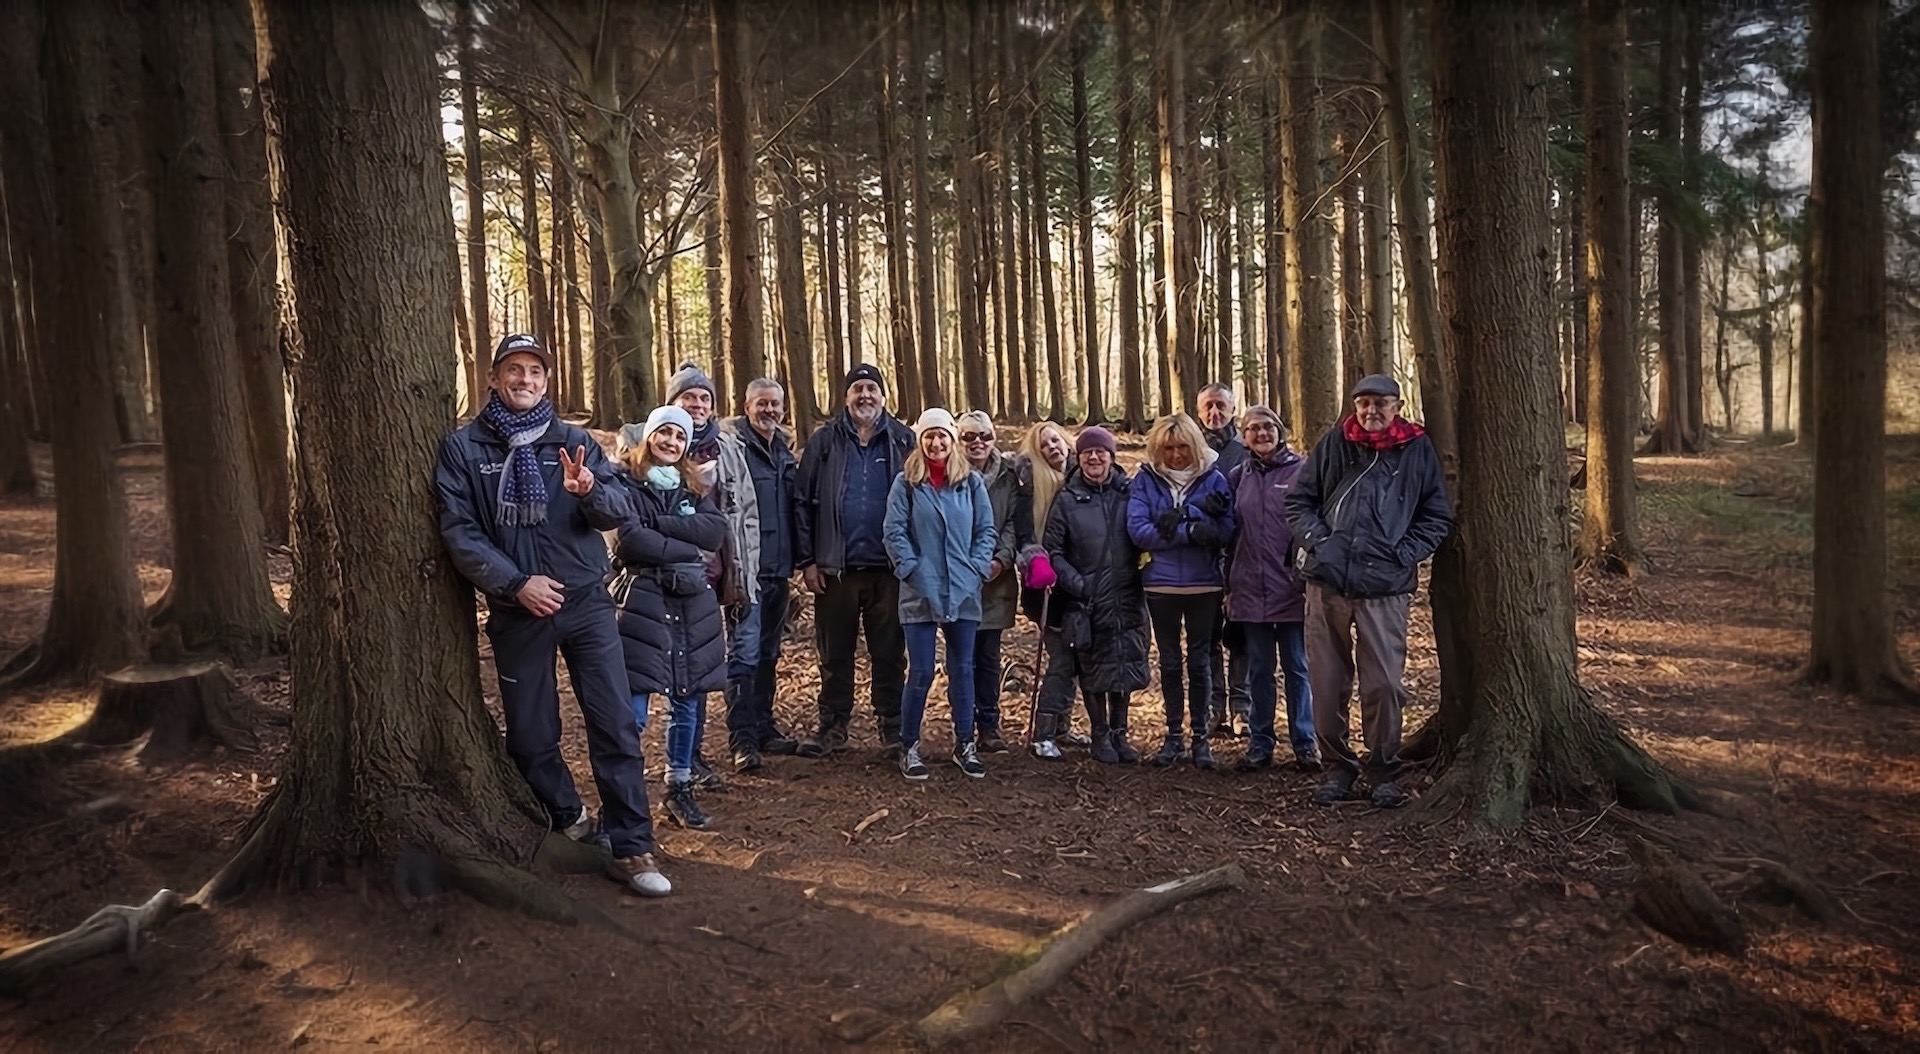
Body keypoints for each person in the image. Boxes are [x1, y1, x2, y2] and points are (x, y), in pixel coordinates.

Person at [435, 333, 669, 898]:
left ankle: (632, 843)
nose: (525, 380)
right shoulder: (466, 448)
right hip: (520, 610)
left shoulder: (574, 441)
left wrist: (588, 489)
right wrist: (516, 585)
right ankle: (571, 819)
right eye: (513, 370)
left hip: (586, 603)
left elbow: (619, 510)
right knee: (531, 736)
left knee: (614, 722)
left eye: (535, 372)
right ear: (493, 378)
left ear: (547, 380)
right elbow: (460, 532)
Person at [1287, 374, 1453, 808]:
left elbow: (1436, 515)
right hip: (1327, 584)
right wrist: (1320, 543)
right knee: (1325, 683)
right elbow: (1298, 502)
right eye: (1363, 403)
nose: (1370, 411)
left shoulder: (1416, 449)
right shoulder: (1335, 443)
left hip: (1385, 587)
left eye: (1380, 403)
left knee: (1382, 685)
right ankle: (1337, 767)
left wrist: (1404, 554)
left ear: (1397, 406)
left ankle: (1383, 770)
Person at [611, 405, 729, 830]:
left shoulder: (694, 485)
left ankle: (679, 788)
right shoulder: (625, 481)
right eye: (664, 433)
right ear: (649, 435)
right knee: (634, 707)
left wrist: (659, 526)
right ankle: (622, 794)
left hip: (691, 603)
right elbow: (629, 540)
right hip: (642, 601)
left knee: (687, 701)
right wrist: (685, 544)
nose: (670, 442)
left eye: (679, 437)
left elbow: (714, 533)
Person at [794, 364, 917, 758]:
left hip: (890, 569)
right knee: (834, 652)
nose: (865, 396)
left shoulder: (902, 440)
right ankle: (833, 725)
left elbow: (923, 501)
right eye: (857, 389)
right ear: (845, 397)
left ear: (883, 396)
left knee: (889, 651)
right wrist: (808, 561)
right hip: (836, 568)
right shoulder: (825, 441)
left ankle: (892, 725)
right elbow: (802, 502)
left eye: (872, 389)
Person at [883, 409, 996, 780]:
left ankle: (966, 742)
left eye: (943, 435)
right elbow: (895, 533)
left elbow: (985, 532)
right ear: (920, 440)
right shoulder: (906, 483)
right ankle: (909, 744)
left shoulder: (971, 483)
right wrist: (914, 572)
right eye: (929, 436)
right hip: (918, 591)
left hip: (964, 590)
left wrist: (977, 569)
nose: (936, 443)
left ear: (952, 439)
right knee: (920, 671)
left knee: (963, 668)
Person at [1033, 427, 1149, 763]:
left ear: (1112, 457)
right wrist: (1079, 584)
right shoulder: (1067, 499)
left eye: (1100, 452)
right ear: (1079, 458)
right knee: (1093, 669)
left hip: (1127, 596)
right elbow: (1053, 551)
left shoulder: (1131, 493)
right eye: (1087, 453)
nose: (1094, 458)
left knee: (1124, 665)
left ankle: (1119, 733)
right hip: (1086, 601)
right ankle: (1100, 735)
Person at [1127, 414, 1235, 770]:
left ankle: (1201, 737)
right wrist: (1190, 532)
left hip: (1205, 583)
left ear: (1195, 446)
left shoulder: (1214, 478)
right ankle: (1173, 736)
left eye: (1182, 447)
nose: (1175, 455)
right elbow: (1139, 531)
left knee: (1201, 661)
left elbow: (1225, 527)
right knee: (1170, 661)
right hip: (1161, 584)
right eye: (1168, 448)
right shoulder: (1146, 481)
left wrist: (1183, 522)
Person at [1224, 405, 1316, 772]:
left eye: (1268, 427)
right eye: (1253, 429)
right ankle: (1260, 743)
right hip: (1248, 586)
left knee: (1297, 667)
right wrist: (1227, 584)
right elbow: (1228, 535)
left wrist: (1309, 576)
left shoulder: (1302, 471)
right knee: (1259, 668)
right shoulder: (1236, 476)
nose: (1261, 434)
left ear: (1280, 431)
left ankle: (1305, 743)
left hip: (1292, 587)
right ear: (1243, 437)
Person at [720, 378, 800, 772]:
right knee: (744, 654)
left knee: (769, 653)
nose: (769, 411)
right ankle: (743, 737)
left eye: (775, 405)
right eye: (762, 404)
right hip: (746, 570)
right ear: (746, 406)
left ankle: (766, 728)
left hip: (779, 569)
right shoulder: (733, 449)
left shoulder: (784, 450)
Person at [957, 411, 1033, 754]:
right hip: (957, 576)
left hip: (995, 579)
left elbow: (1013, 523)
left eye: (984, 436)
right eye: (969, 437)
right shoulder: (949, 473)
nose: (977, 443)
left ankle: (988, 725)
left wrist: (1001, 560)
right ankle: (962, 726)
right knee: (962, 656)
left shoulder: (1009, 475)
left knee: (988, 656)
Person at [1012, 420, 1092, 748]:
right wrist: (1034, 558)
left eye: (1056, 440)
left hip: (1079, 582)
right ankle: (1044, 732)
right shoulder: (1031, 485)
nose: (1053, 448)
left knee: (1073, 659)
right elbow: (1023, 531)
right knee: (1061, 658)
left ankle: (1062, 727)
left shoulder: (1080, 476)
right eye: (1044, 445)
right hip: (1046, 586)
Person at [1196, 382, 1251, 740]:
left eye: (1221, 407)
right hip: (1200, 559)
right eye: (1208, 408)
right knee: (1207, 636)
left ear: (1232, 410)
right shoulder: (1190, 449)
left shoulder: (1245, 450)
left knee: (1241, 635)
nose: (1215, 414)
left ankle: (1242, 708)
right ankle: (1214, 706)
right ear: (1199, 411)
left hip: (1242, 556)